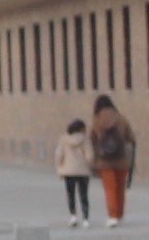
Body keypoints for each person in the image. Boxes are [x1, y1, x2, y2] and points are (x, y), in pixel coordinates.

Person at [87, 93, 135, 225]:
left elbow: (92, 141)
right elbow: (131, 138)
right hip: (121, 160)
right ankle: (119, 215)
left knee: (109, 189)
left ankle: (112, 216)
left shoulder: (96, 121)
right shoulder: (121, 119)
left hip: (104, 162)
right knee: (120, 189)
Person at [54, 117, 92, 223]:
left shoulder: (63, 140)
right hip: (83, 171)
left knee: (70, 194)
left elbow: (58, 155)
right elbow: (89, 156)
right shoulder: (85, 140)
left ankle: (73, 216)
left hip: (69, 171)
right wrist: (90, 165)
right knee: (84, 194)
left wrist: (59, 166)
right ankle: (85, 218)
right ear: (81, 129)